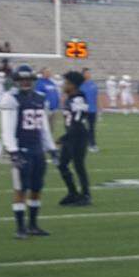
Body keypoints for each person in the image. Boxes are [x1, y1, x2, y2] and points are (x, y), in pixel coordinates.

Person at [0, 65, 55, 238]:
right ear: (16, 80)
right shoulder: (11, 99)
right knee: (20, 189)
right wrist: (13, 151)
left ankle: (33, 225)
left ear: (32, 80)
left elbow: (43, 127)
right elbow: (7, 129)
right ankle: (20, 227)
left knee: (37, 188)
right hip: (22, 150)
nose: (25, 82)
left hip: (37, 150)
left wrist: (51, 148)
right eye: (21, 79)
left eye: (27, 79)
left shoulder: (39, 97)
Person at [57, 71, 92, 206]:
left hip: (78, 136)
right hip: (71, 136)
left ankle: (86, 195)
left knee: (79, 166)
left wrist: (63, 138)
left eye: (66, 83)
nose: (64, 85)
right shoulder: (71, 97)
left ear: (73, 85)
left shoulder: (78, 98)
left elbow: (77, 121)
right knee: (62, 165)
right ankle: (73, 193)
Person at [79, 68, 100, 153]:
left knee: (91, 128)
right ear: (83, 74)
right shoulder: (80, 85)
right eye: (87, 73)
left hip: (92, 110)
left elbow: (96, 97)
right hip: (83, 110)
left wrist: (99, 108)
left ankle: (92, 144)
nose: (89, 74)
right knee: (81, 129)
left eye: (89, 73)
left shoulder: (93, 84)